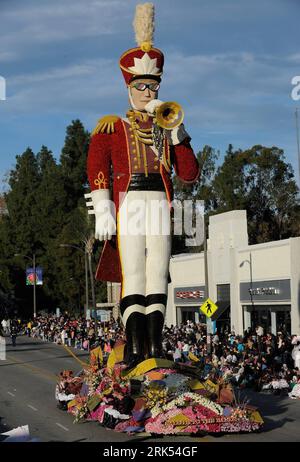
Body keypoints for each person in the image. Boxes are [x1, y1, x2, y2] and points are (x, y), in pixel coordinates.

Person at [87, 4, 200, 368]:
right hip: (130, 201)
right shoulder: (112, 127)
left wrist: (180, 136)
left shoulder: (168, 127)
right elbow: (95, 166)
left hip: (160, 204)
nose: (149, 93)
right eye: (142, 86)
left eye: (153, 86)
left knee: (158, 273)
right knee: (133, 270)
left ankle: (155, 347)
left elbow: (189, 174)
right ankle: (135, 348)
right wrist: (103, 207)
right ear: (129, 87)